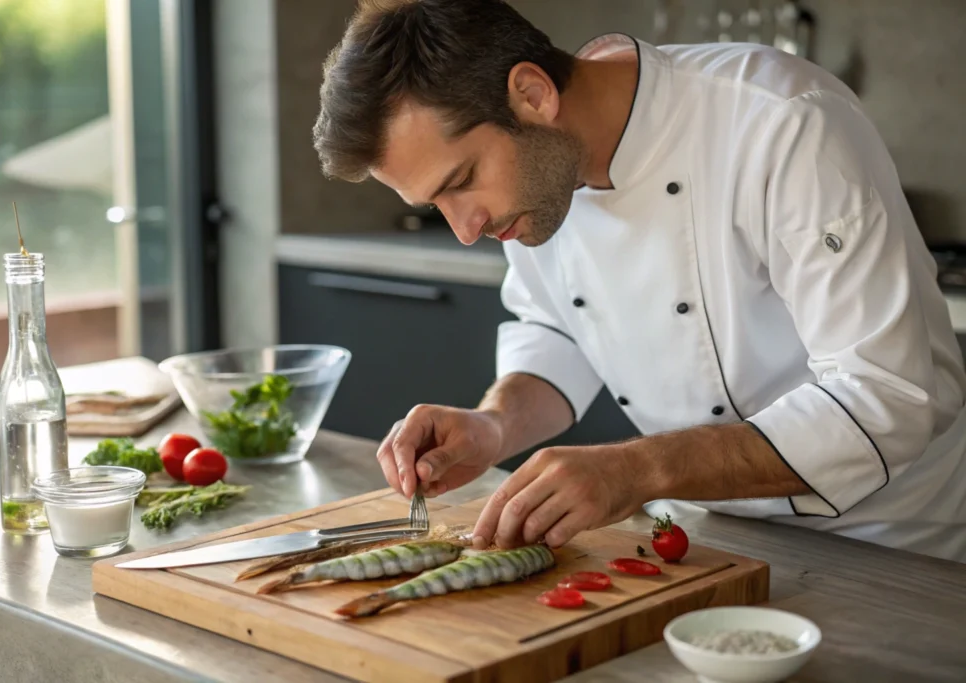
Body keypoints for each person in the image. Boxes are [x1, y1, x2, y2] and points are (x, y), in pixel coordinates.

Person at [311, 0, 966, 562]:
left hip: (895, 544)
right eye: (436, 203)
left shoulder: (781, 121)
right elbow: (557, 329)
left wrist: (637, 469)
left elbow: (888, 398)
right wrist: (493, 423)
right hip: (706, 536)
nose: (464, 227)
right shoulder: (539, 180)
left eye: (460, 181)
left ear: (532, 95)